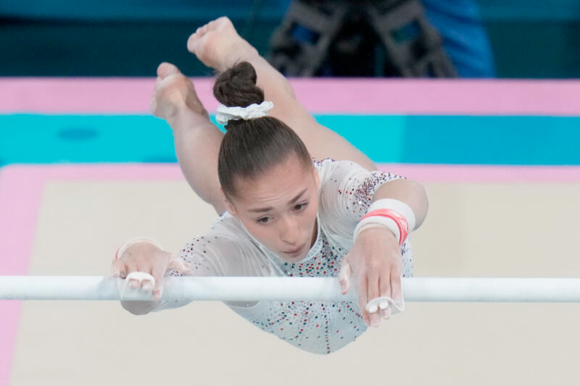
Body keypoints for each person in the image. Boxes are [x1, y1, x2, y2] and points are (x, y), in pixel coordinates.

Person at [111, 17, 429, 355]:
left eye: (299, 206)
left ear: (315, 176)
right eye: (265, 218)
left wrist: (377, 230)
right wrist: (139, 266)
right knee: (220, 183)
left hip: (345, 212)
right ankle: (179, 106)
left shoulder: (335, 189)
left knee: (294, 120)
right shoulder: (230, 246)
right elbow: (148, 300)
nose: (290, 234)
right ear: (233, 212)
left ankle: (232, 51)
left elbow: (409, 191)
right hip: (248, 225)